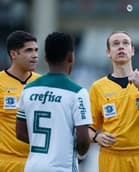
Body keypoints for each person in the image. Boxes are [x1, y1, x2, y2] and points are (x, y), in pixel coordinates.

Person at [88, 31, 139, 172]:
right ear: (108, 52)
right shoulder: (97, 87)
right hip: (112, 158)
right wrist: (97, 137)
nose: (121, 47)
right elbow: (88, 129)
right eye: (116, 44)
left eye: (125, 43)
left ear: (132, 51)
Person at [16, 32, 92, 171]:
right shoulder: (78, 93)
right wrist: (79, 154)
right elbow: (83, 141)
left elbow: (20, 132)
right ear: (71, 57)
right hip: (61, 168)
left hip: (32, 167)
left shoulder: (28, 89)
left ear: (45, 58)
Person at [0, 31, 40, 172]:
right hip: (7, 163)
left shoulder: (42, 83)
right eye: (28, 50)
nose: (35, 55)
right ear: (13, 54)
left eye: (36, 50)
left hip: (38, 162)